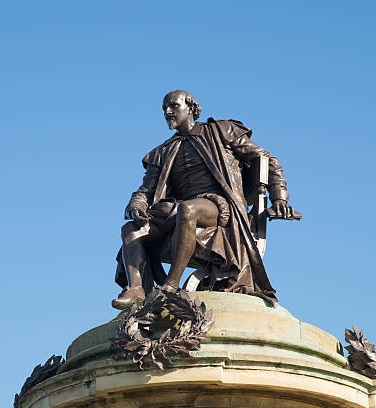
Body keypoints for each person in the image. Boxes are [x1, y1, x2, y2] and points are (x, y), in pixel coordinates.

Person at [112, 90, 296, 309]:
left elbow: (266, 160)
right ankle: (135, 289)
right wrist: (137, 205)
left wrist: (279, 198)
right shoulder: (162, 151)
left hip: (219, 205)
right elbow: (145, 190)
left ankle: (171, 285)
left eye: (173, 106)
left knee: (188, 210)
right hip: (176, 208)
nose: (167, 112)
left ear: (190, 108)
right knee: (131, 230)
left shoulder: (222, 131)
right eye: (164, 109)